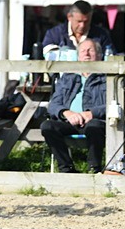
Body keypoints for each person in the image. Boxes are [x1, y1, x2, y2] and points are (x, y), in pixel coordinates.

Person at [40, 38, 107, 173]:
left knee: (94, 126)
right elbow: (53, 105)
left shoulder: (106, 77)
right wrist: (67, 113)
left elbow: (114, 105)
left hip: (94, 121)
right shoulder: (68, 77)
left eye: (90, 50)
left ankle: (94, 169)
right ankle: (66, 168)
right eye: (83, 51)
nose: (86, 54)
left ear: (99, 55)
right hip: (69, 121)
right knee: (47, 126)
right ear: (78, 55)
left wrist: (91, 113)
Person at [41, 0, 115, 57]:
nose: (82, 25)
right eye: (79, 21)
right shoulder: (54, 34)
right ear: (69, 17)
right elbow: (44, 55)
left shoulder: (101, 35)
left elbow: (111, 56)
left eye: (86, 21)